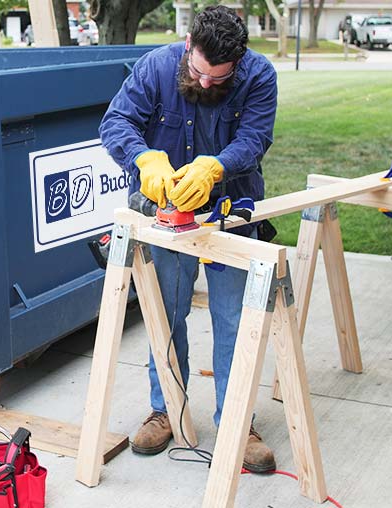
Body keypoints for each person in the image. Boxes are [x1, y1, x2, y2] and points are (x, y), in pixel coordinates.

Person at [99, 5, 278, 472]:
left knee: (234, 321)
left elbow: (256, 137)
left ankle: (239, 421)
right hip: (167, 216)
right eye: (198, 72)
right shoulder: (156, 68)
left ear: (236, 65)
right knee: (167, 313)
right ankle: (165, 411)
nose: (204, 84)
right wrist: (144, 158)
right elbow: (115, 123)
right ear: (187, 48)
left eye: (217, 78)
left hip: (230, 212)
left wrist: (216, 165)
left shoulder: (258, 75)